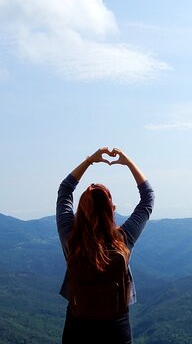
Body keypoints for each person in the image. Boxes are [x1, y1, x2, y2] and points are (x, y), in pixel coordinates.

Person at [56, 147, 154, 344]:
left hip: (77, 325)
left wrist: (89, 160)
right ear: (112, 210)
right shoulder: (123, 240)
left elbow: (65, 189)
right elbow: (147, 198)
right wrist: (128, 162)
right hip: (116, 327)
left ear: (80, 210)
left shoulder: (70, 238)